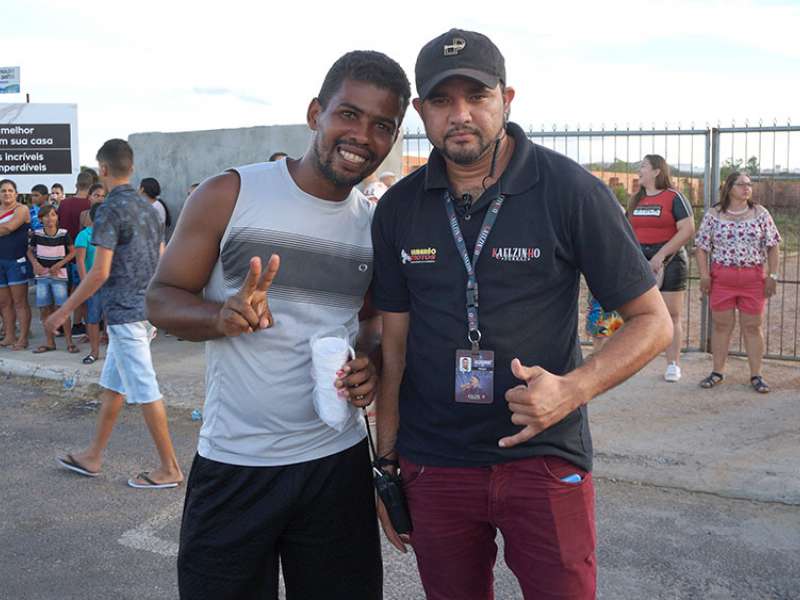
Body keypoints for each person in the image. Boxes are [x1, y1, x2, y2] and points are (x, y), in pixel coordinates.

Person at [371, 29, 673, 600]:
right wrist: (386, 465)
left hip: (543, 456)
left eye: (477, 96)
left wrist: (573, 389)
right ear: (420, 110)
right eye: (441, 100)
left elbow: (653, 321)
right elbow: (395, 348)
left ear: (506, 99)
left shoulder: (570, 190)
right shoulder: (397, 208)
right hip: (434, 463)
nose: (460, 114)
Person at [146, 50, 410, 599]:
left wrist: (369, 363)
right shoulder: (229, 194)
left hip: (336, 464)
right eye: (349, 114)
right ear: (316, 113)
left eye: (382, 125)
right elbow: (162, 299)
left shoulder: (373, 226)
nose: (362, 136)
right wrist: (219, 316)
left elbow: (369, 325)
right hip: (237, 463)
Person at [47, 138, 182, 490]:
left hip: (126, 315)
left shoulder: (109, 210)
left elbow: (99, 272)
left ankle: (169, 468)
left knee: (145, 389)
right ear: (131, 168)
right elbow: (161, 258)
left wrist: (64, 310)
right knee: (114, 387)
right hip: (144, 311)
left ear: (103, 169)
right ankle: (93, 456)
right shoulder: (150, 209)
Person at [694, 171, 781, 393]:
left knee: (752, 326)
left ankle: (756, 375)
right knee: (721, 326)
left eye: (749, 184)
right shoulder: (714, 214)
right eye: (741, 184)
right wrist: (704, 275)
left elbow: (773, 245)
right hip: (722, 279)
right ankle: (717, 372)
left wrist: (772, 276)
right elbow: (701, 247)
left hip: (753, 279)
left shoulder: (760, 213)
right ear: (729, 187)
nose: (747, 188)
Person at [628, 154, 695, 382]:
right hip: (639, 260)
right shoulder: (636, 199)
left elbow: (687, 229)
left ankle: (673, 364)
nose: (639, 170)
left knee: (671, 314)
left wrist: (660, 256)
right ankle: (633, 362)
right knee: (639, 313)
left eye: (643, 166)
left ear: (657, 171)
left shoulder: (674, 197)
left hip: (669, 260)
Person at [27, 205, 79, 354]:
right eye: (46, 216)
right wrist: (35, 264)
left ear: (57, 217)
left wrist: (59, 264)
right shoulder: (37, 234)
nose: (49, 219)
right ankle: (50, 342)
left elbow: (73, 251)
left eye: (52, 215)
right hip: (42, 275)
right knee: (44, 309)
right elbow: (30, 251)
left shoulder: (63, 234)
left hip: (59, 276)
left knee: (62, 308)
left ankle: (69, 342)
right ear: (40, 219)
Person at [59, 170, 94, 335]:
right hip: (86, 253)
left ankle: (65, 323)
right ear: (91, 186)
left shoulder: (64, 204)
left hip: (64, 252)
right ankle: (79, 323)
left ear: (76, 184)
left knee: (67, 291)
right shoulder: (91, 205)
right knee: (81, 290)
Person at [0, 179, 31, 350]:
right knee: (4, 303)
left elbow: (9, 228)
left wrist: (4, 227)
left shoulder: (22, 209)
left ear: (16, 194)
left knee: (20, 302)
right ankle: (10, 335)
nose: (7, 193)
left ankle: (23, 338)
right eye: (3, 191)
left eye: (10, 190)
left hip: (16, 261)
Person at [74, 203, 103, 364]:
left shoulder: (112, 234)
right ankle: (94, 351)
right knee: (93, 317)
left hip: (110, 281)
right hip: (93, 283)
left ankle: (111, 349)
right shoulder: (84, 235)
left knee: (111, 317)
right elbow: (80, 261)